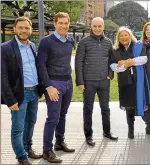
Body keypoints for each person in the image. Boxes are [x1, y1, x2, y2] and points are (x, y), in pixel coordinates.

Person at [1, 16, 43, 165]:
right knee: (18, 128)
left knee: (31, 123)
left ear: (30, 30)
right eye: (21, 27)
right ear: (15, 29)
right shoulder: (4, 48)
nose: (24, 30)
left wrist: (40, 91)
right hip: (19, 95)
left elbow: (35, 69)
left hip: (33, 92)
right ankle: (21, 157)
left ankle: (28, 148)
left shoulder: (32, 45)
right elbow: (3, 78)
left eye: (27, 28)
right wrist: (10, 100)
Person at [37, 12, 75, 163]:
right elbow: (40, 66)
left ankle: (60, 142)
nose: (64, 26)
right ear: (55, 24)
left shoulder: (70, 41)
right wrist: (48, 86)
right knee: (53, 118)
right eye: (61, 23)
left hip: (67, 82)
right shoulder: (46, 42)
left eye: (66, 23)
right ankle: (47, 150)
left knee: (62, 115)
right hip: (54, 83)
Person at [75, 17, 118, 147]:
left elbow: (112, 60)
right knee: (88, 109)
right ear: (91, 27)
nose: (97, 29)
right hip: (89, 82)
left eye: (100, 26)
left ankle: (107, 131)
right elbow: (78, 62)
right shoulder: (84, 42)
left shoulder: (108, 42)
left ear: (103, 27)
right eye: (95, 26)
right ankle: (88, 135)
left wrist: (110, 75)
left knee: (105, 108)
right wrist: (80, 82)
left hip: (104, 81)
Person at [110, 26, 150, 139]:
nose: (124, 37)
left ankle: (149, 125)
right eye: (121, 35)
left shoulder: (138, 46)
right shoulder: (115, 50)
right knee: (129, 107)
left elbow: (144, 59)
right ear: (118, 37)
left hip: (138, 81)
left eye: (126, 35)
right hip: (125, 82)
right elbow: (113, 65)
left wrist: (130, 62)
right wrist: (123, 66)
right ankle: (130, 130)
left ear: (130, 35)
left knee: (142, 104)